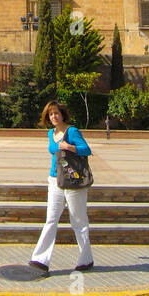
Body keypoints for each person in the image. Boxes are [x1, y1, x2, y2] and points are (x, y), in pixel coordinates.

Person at [29, 100, 93, 275]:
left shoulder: (71, 131)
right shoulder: (51, 133)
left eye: (56, 113)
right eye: (50, 114)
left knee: (78, 220)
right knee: (51, 218)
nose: (54, 116)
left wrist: (71, 147)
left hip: (73, 181)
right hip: (55, 180)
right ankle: (40, 259)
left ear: (62, 114)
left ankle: (86, 258)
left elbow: (87, 149)